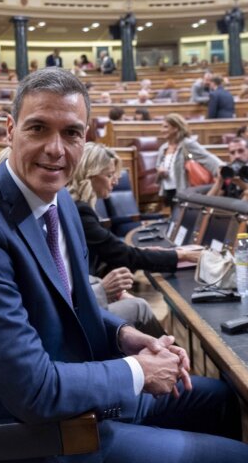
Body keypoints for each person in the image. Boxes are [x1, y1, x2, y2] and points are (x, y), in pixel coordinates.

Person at [0, 68, 248, 463]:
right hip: (28, 433)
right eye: (38, 128)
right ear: (11, 129)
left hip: (78, 395)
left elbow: (73, 308)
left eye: (71, 133)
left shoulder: (61, 202)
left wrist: (125, 337)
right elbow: (33, 389)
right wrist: (137, 371)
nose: (56, 149)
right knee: (243, 459)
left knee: (222, 398)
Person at [68, 143, 201, 336]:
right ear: (89, 174)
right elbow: (124, 255)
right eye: (108, 175)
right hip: (81, 307)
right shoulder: (80, 210)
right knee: (139, 307)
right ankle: (171, 356)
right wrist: (181, 255)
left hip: (88, 290)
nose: (114, 181)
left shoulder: (77, 207)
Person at [156, 113, 222, 206]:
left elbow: (206, 157)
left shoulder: (187, 144)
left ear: (176, 128)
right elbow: (158, 165)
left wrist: (222, 169)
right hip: (168, 189)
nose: (162, 130)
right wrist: (160, 171)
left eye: (166, 127)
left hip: (183, 189)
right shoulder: (163, 148)